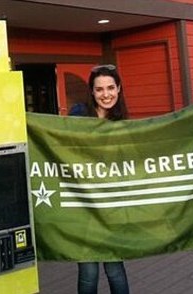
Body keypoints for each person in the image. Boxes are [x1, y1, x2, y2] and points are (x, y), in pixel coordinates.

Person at [69, 64, 129, 294]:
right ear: (92, 92)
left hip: (110, 207)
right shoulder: (79, 114)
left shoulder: (122, 122)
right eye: (100, 89)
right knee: (88, 271)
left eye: (111, 88)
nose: (106, 94)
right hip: (83, 206)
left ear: (119, 88)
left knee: (115, 268)